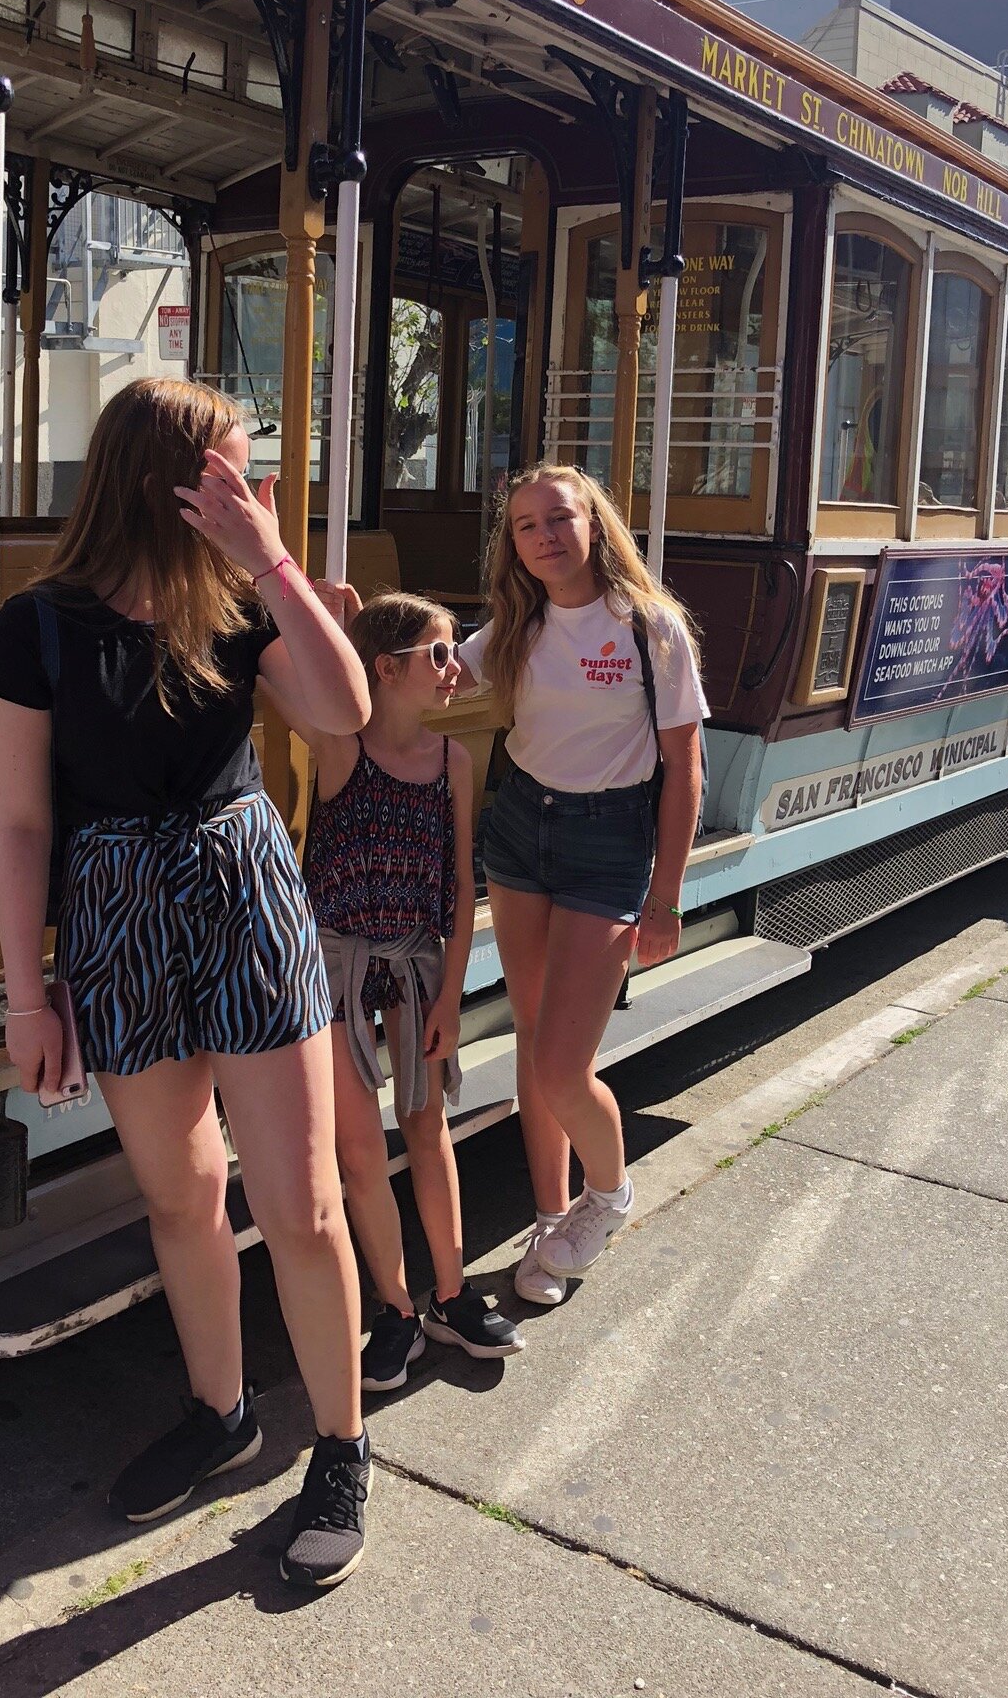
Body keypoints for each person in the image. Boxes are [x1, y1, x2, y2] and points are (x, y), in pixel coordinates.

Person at [0, 377, 374, 1592]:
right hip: (115, 913)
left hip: (245, 894)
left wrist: (276, 568)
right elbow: (22, 824)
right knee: (181, 1192)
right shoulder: (35, 625)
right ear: (166, 475)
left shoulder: (240, 599)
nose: (249, 488)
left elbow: (346, 713)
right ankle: (222, 1411)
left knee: (300, 1204)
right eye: (233, 469)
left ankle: (344, 1449)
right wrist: (30, 995)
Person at [455, 462, 706, 1305]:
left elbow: (685, 771)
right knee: (533, 1042)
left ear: (595, 524)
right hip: (522, 833)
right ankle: (551, 1215)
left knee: (566, 1064)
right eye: (526, 526)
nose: (545, 537)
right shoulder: (510, 631)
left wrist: (666, 896)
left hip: (609, 843)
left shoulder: (650, 627)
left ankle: (610, 1195)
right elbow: (430, 691)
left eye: (559, 519)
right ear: (513, 545)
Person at [294, 591, 524, 1390]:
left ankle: (451, 1294)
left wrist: (451, 999)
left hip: (418, 966)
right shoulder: (339, 749)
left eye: (454, 649)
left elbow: (460, 887)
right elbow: (290, 678)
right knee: (361, 1151)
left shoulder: (453, 762)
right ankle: (395, 1309)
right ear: (385, 671)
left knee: (428, 1131)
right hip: (339, 973)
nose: (455, 666)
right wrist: (326, 626)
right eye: (437, 653)